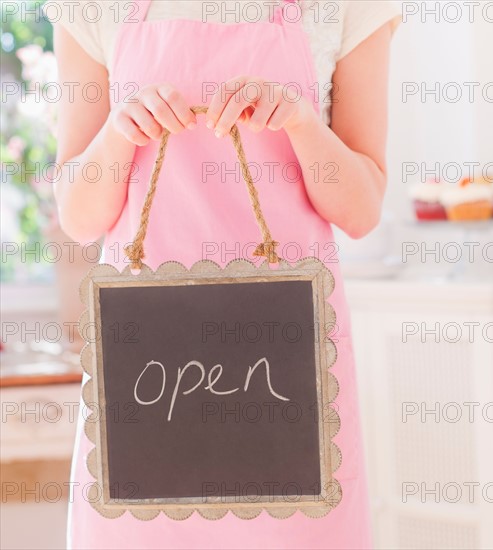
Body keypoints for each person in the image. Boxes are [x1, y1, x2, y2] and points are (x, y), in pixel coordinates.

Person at [45, 1, 400, 548]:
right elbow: (80, 215)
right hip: (145, 361)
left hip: (284, 365)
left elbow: (360, 209)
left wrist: (301, 121)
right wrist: (121, 130)